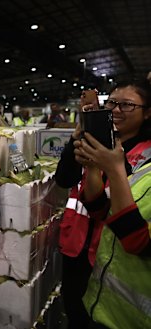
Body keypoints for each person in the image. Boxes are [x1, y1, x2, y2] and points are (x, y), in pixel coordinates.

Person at [56, 82, 151, 328]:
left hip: (109, 251)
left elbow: (135, 234)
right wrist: (79, 138)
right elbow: (65, 178)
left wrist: (113, 166)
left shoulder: (145, 155)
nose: (116, 110)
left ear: (147, 112)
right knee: (76, 310)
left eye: (127, 105)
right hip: (77, 243)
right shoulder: (95, 138)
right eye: (111, 103)